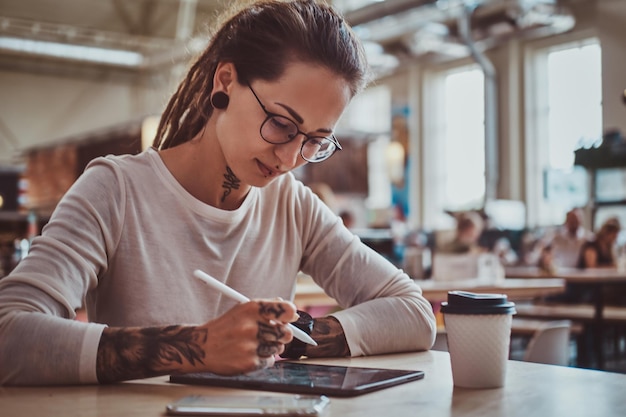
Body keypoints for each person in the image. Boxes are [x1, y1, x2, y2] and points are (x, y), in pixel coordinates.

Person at [0, 0, 436, 386]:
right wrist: (197, 346)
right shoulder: (117, 190)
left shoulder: (291, 205)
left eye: (314, 141)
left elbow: (413, 313)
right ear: (225, 81)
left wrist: (297, 339)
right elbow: (10, 334)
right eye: (282, 124)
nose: (288, 159)